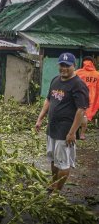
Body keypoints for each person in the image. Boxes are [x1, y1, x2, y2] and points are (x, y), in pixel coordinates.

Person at [35, 52, 89, 192]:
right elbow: (48, 100)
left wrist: (72, 133)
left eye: (67, 65)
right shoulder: (55, 80)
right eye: (62, 65)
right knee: (53, 159)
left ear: (74, 66)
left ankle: (57, 191)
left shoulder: (78, 85)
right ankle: (54, 185)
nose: (64, 68)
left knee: (63, 163)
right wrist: (40, 118)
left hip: (66, 131)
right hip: (52, 128)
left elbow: (81, 110)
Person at [75, 56, 99, 140]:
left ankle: (75, 132)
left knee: (75, 115)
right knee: (85, 116)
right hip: (90, 99)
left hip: (78, 97)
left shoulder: (77, 72)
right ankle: (82, 134)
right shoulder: (97, 74)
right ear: (92, 63)